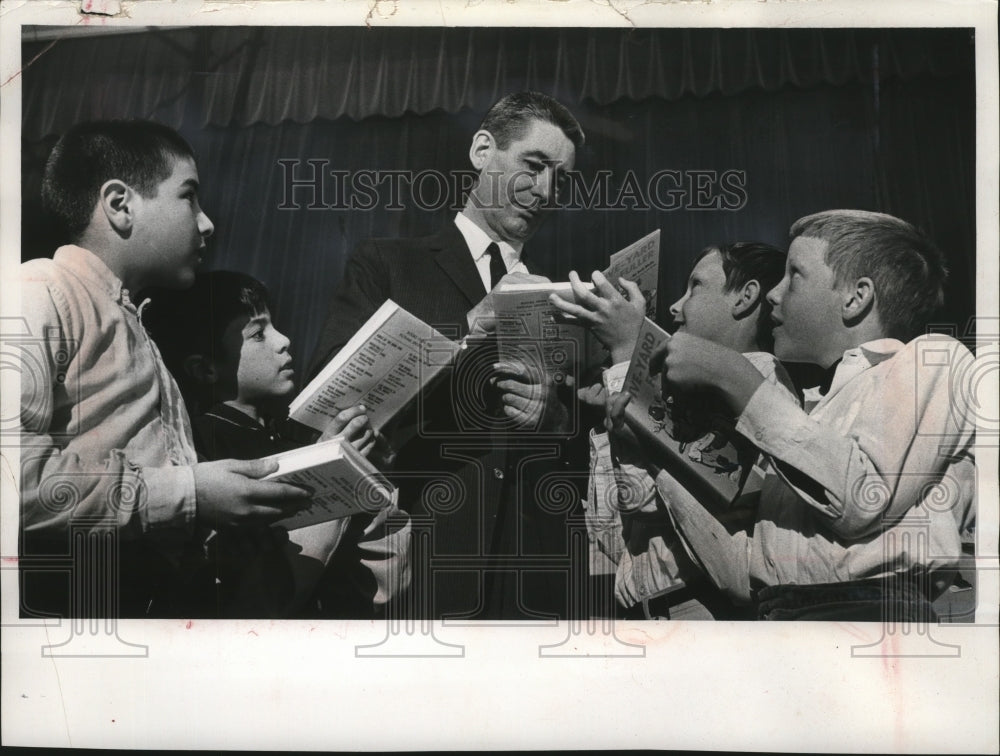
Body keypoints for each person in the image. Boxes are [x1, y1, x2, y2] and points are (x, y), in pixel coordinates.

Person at [308, 91, 586, 620]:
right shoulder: (387, 265)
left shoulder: (558, 299)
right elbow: (332, 412)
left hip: (532, 582)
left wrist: (553, 417)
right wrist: (463, 337)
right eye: (534, 165)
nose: (547, 190)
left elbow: (574, 464)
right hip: (419, 570)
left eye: (563, 179)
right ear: (483, 150)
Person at [19, 120, 311, 619]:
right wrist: (192, 492)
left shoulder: (138, 326)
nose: (206, 223)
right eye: (189, 197)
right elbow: (15, 486)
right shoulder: (40, 289)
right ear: (119, 205)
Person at [638, 210, 976, 620]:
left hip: (869, 621)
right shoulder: (809, 414)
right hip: (780, 624)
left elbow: (861, 498)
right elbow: (743, 578)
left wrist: (736, 378)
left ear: (856, 297)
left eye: (794, 275)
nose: (772, 295)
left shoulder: (930, 360)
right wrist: (650, 444)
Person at [141, 270, 410, 618]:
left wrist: (370, 477)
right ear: (205, 369)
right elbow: (250, 587)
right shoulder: (200, 445)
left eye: (275, 326)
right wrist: (325, 465)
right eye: (257, 334)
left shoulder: (295, 434)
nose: (284, 340)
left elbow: (380, 583)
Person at [553, 242, 795, 619]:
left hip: (705, 612)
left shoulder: (759, 381)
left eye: (695, 286)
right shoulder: (683, 392)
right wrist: (609, 429)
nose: (674, 306)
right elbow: (612, 540)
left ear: (745, 297)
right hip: (647, 613)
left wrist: (627, 352)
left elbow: (662, 499)